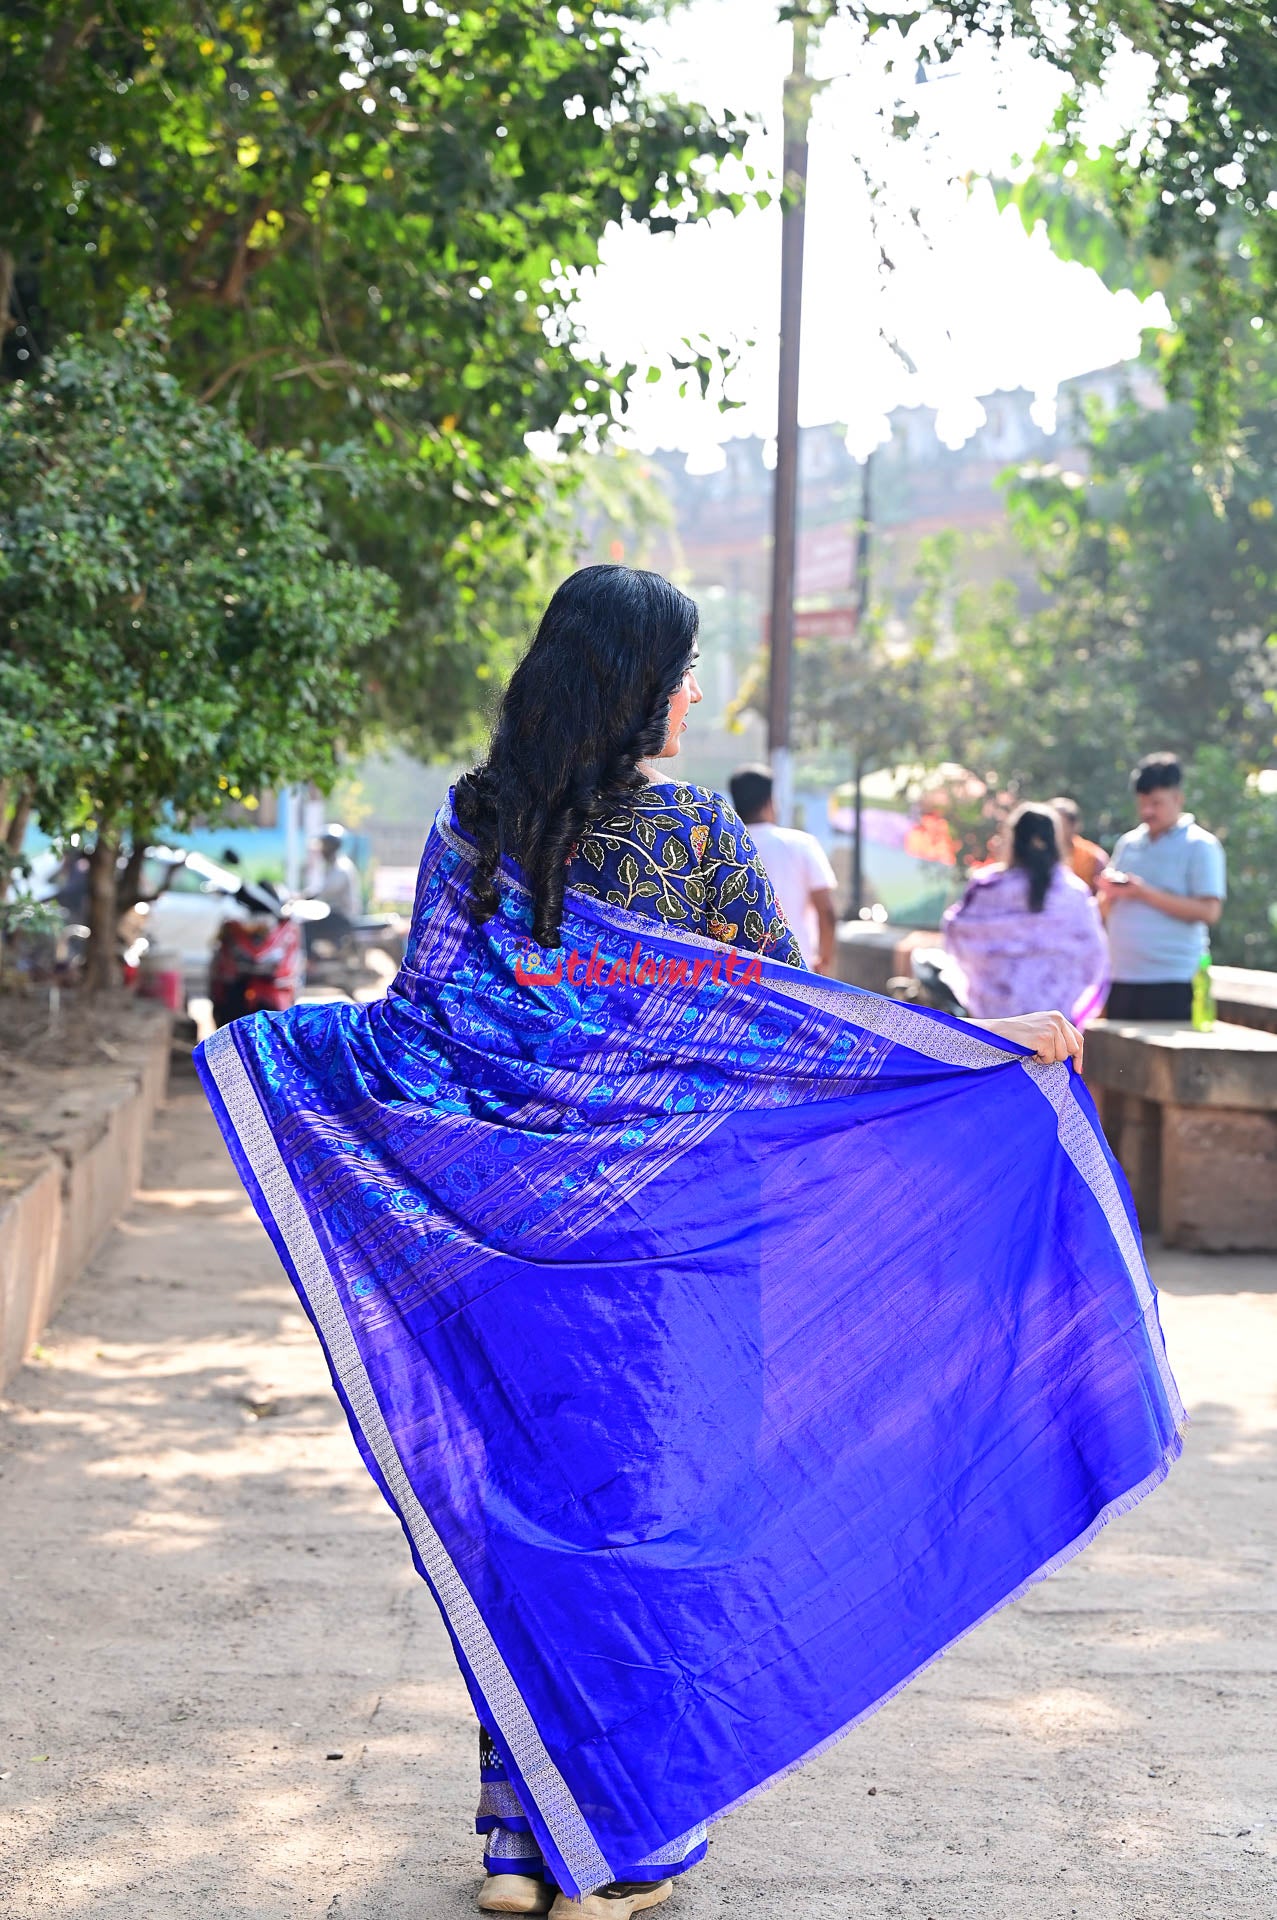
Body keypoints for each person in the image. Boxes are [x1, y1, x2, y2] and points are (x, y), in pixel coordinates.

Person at [194, 568, 1184, 1920]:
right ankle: (630, 1844)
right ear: (635, 688)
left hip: (518, 1249)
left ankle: (517, 1845)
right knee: (661, 1524)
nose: (695, 696)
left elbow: (431, 1038)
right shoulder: (697, 840)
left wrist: (285, 1057)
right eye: (683, 671)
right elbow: (798, 1029)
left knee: (531, 1519)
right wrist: (987, 1050)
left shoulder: (469, 834)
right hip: (678, 1251)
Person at [941, 802, 1108, 1025]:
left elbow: (956, 932)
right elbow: (1094, 956)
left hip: (996, 1025)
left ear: (1012, 840)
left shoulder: (987, 888)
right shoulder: (1072, 894)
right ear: (1055, 842)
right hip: (1055, 1028)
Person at [1098, 753, 1226, 1022]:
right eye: (1143, 803)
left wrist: (1143, 892)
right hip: (1122, 976)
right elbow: (1106, 906)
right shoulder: (1128, 843)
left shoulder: (1201, 845)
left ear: (1178, 798)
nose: (1147, 811)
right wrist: (1110, 892)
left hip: (1173, 979)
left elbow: (1210, 911)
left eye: (1156, 803)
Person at [727, 764, 838, 974]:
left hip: (741, 971)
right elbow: (827, 911)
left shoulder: (727, 845)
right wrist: (824, 960)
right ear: (770, 802)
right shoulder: (801, 844)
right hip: (797, 967)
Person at [308, 822, 363, 924]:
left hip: (344, 918)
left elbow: (324, 891)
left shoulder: (342, 866)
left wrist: (302, 897)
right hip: (335, 916)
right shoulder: (332, 865)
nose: (322, 850)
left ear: (333, 847)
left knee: (308, 926)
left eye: (325, 846)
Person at [1049, 796, 1106, 893]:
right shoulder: (1036, 855)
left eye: (1059, 824)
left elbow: (1103, 894)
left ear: (1074, 825)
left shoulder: (1092, 856)